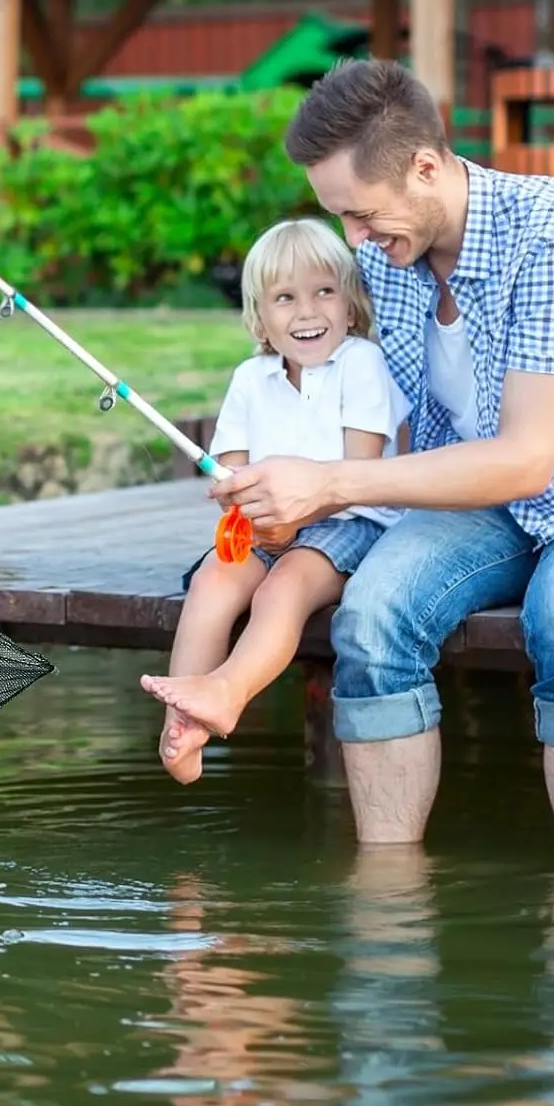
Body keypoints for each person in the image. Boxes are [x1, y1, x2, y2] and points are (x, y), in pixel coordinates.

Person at [211, 58, 554, 864]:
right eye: (341, 220)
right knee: (372, 617)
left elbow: (529, 460)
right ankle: (389, 909)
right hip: (470, 501)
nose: (353, 242)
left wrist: (328, 487)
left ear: (425, 166)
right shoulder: (384, 263)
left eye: (362, 215)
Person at [142, 216, 410, 783]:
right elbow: (231, 471)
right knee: (215, 580)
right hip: (268, 524)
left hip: (350, 520)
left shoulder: (362, 363)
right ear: (260, 316)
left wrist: (294, 519)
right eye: (285, 298)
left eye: (324, 292)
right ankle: (182, 724)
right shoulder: (250, 377)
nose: (307, 312)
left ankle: (228, 692)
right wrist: (245, 505)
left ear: (351, 303)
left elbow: (356, 473)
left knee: (284, 586)